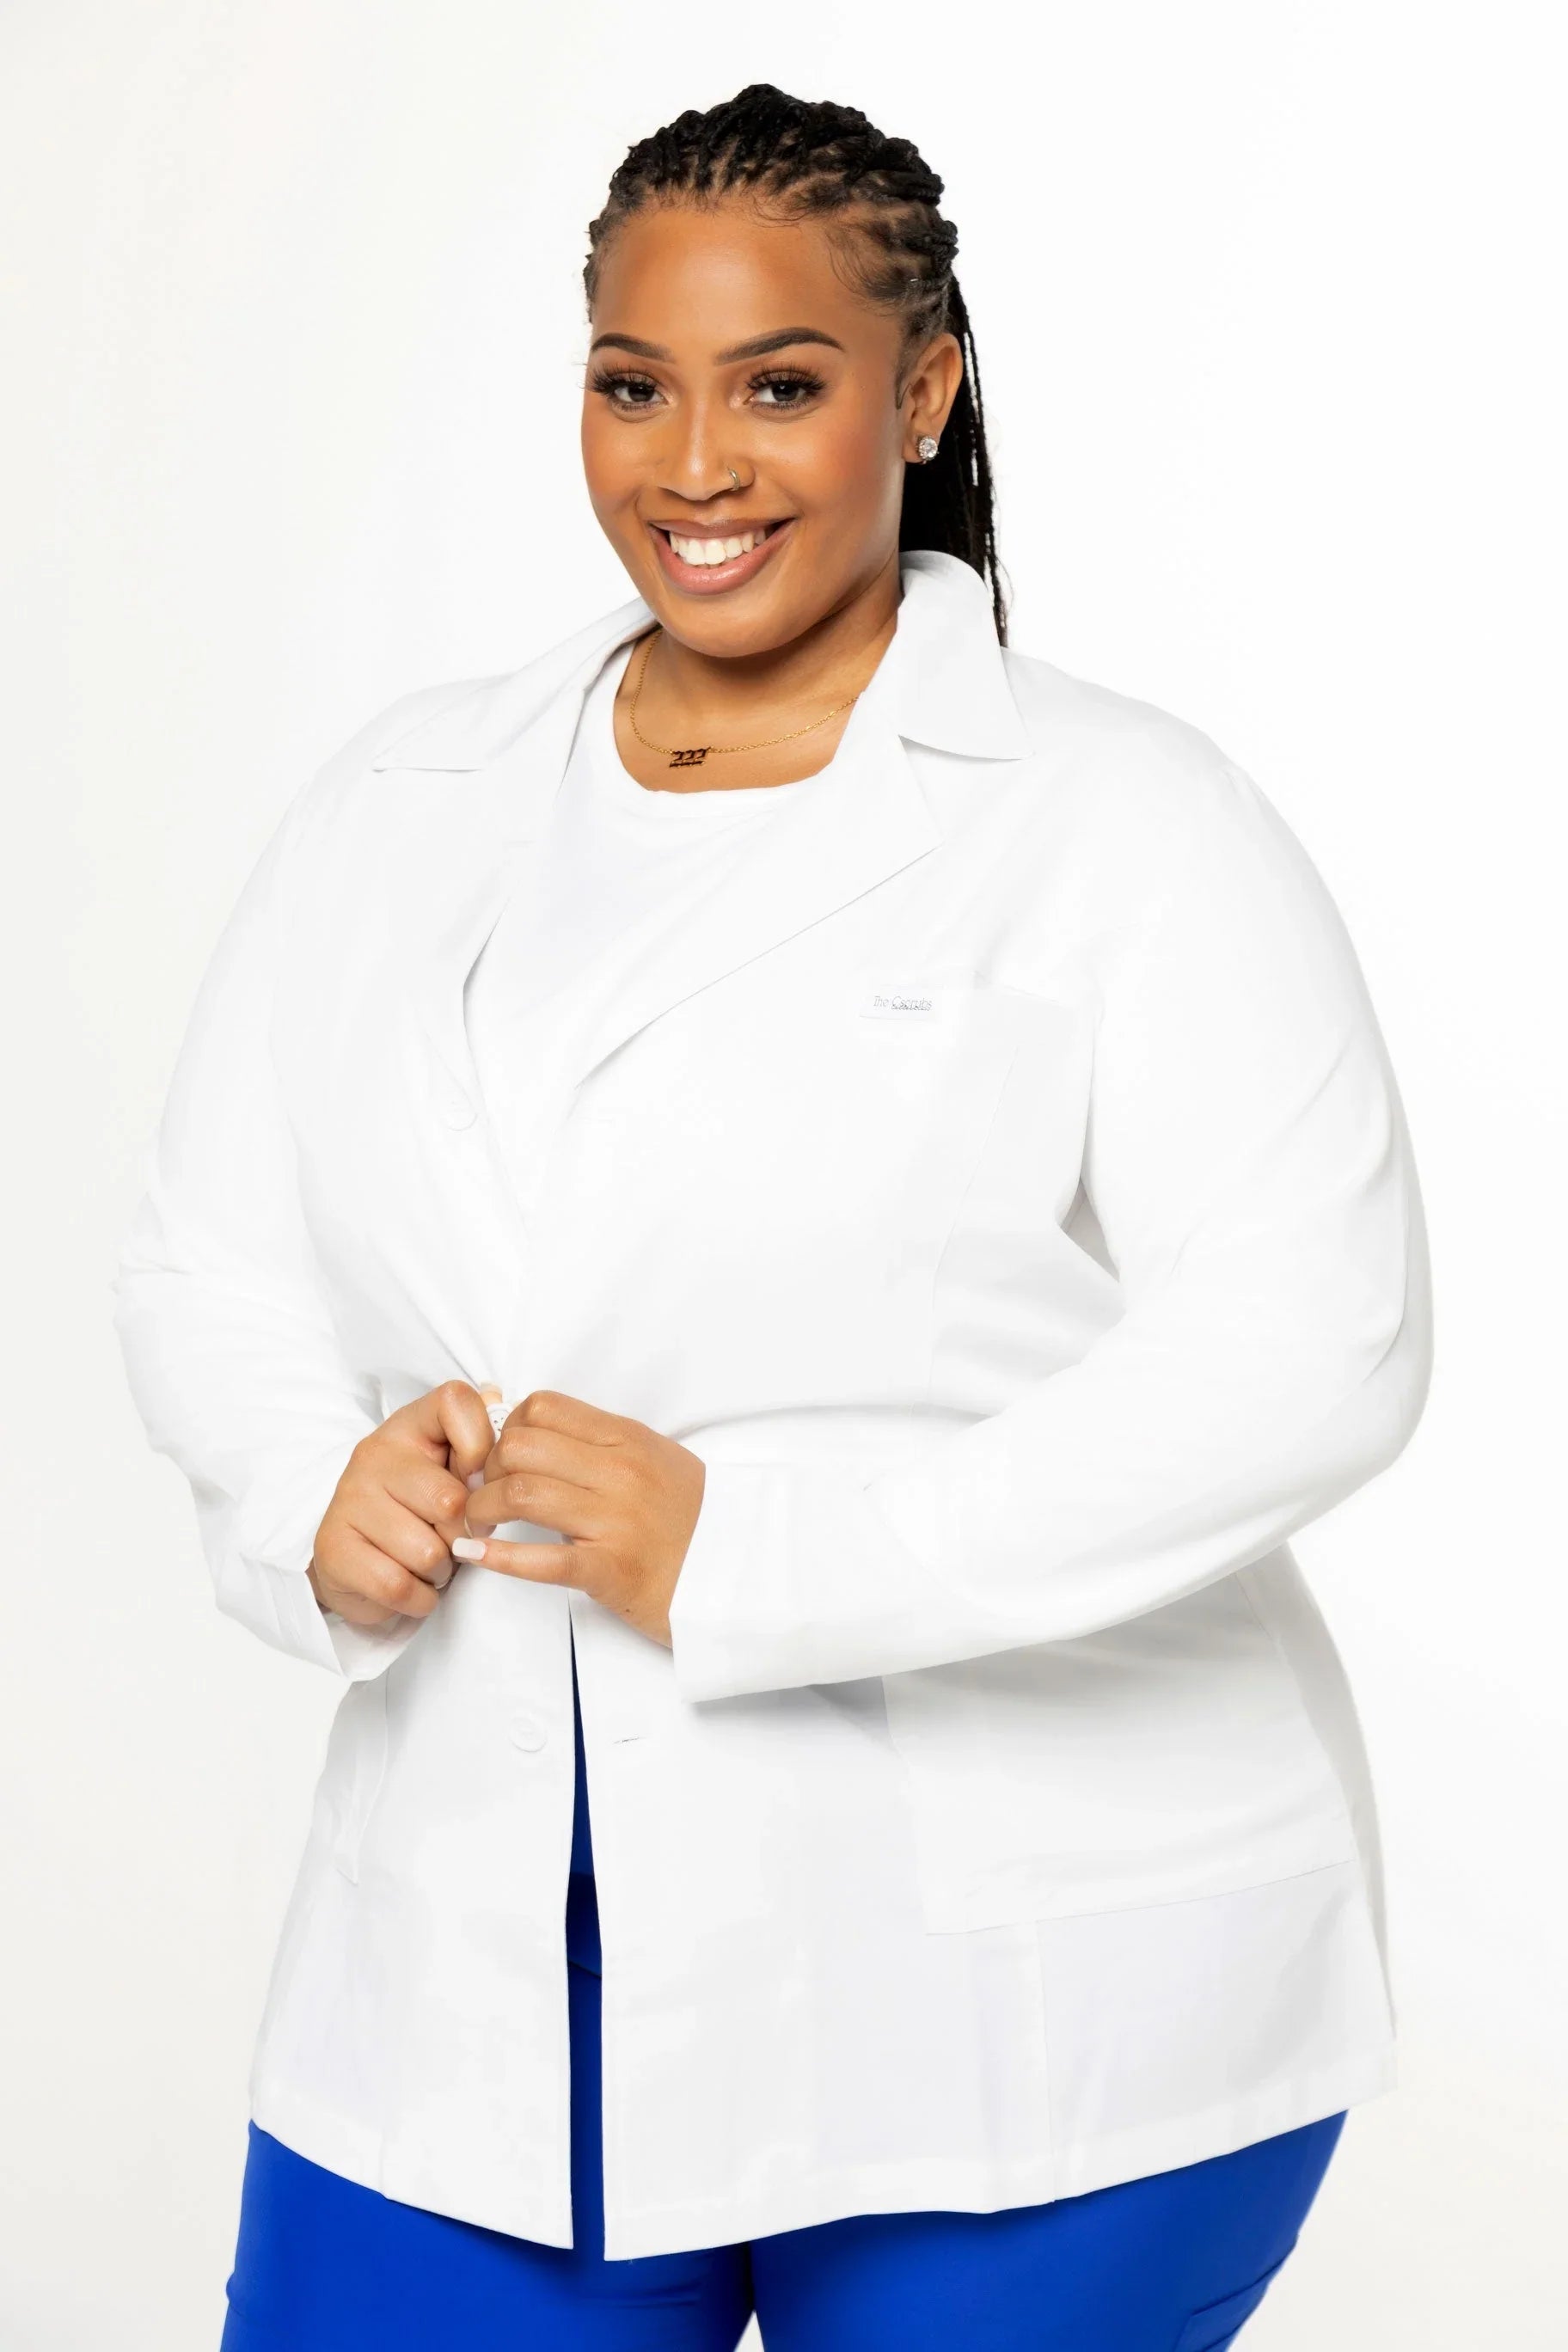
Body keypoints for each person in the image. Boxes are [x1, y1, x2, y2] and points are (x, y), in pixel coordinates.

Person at [113, 83, 1432, 2352]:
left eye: (782, 387)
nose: (693, 465)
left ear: (921, 390)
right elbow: (204, 1249)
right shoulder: (403, 806)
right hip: (483, 1981)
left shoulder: (1125, 824)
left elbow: (1318, 1340)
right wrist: (297, 1496)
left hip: (1031, 1989)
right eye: (634, 387)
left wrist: (764, 1558)